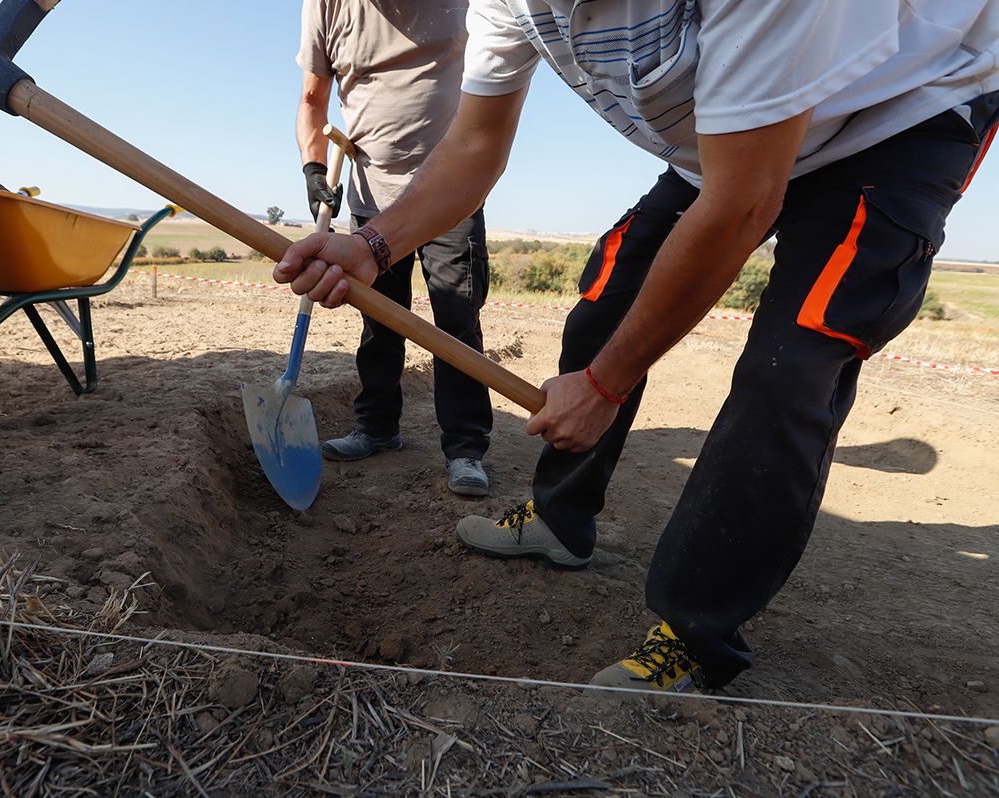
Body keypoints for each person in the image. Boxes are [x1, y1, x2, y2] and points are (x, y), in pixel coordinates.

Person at [276, 0, 999, 693]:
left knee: (793, 360)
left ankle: (697, 634)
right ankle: (562, 521)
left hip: (902, 111)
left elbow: (744, 203)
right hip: (732, 139)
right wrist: (373, 245)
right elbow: (473, 145)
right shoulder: (507, 1)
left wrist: (609, 385)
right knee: (604, 306)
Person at [296, 0, 495, 497]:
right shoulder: (325, 5)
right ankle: (378, 427)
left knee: (456, 320)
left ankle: (466, 447)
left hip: (450, 199)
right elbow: (312, 100)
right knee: (379, 321)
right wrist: (313, 168)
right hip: (370, 199)